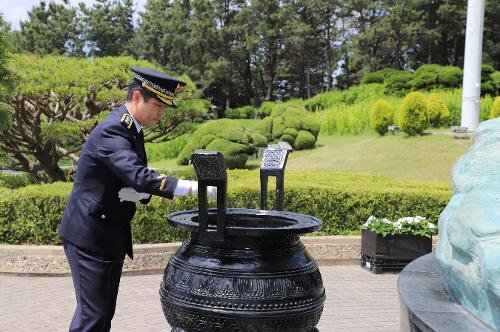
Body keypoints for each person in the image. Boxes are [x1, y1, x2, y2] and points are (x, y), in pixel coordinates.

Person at [59, 66, 215, 332]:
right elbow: (139, 176)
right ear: (136, 97)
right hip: (90, 235)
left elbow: (127, 177)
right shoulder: (114, 130)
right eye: (157, 105)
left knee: (103, 312)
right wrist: (191, 187)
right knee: (92, 316)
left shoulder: (131, 129)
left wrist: (137, 192)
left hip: (108, 231)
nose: (162, 112)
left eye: (165, 107)